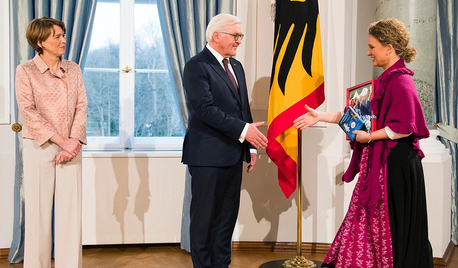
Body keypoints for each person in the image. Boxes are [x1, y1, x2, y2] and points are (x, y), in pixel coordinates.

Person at [293, 18, 433, 268]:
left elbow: (403, 128)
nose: (368, 52)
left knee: (388, 221)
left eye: (372, 46)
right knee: (365, 218)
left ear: (389, 48)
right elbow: (356, 119)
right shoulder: (384, 81)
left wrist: (369, 137)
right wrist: (320, 115)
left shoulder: (401, 81)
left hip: (396, 165)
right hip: (381, 164)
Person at [181, 13, 268, 268]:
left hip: (233, 153)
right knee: (204, 220)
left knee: (226, 220)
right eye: (236, 35)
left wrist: (249, 146)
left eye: (241, 36)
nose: (239, 41)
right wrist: (244, 131)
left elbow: (244, 110)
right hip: (206, 156)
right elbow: (205, 110)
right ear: (216, 35)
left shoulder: (236, 66)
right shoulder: (196, 66)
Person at [15, 17, 87, 267]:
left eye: (63, 34)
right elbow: (28, 110)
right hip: (39, 147)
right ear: (39, 41)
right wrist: (61, 141)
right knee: (38, 214)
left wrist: (73, 141)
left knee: (70, 213)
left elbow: (81, 106)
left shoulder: (74, 69)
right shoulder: (25, 70)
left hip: (72, 147)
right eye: (56, 36)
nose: (63, 40)